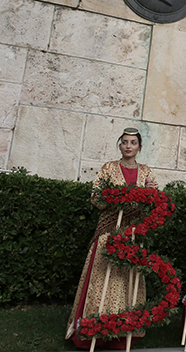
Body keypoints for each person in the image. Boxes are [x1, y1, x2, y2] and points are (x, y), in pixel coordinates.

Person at [66, 127, 159, 349]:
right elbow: (96, 196)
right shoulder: (108, 169)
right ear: (120, 145)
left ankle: (122, 336)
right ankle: (93, 332)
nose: (128, 146)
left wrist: (150, 193)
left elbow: (156, 200)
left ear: (139, 147)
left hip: (133, 233)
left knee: (128, 280)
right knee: (102, 276)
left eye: (133, 143)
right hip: (109, 230)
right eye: (125, 142)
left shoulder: (146, 172)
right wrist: (113, 198)